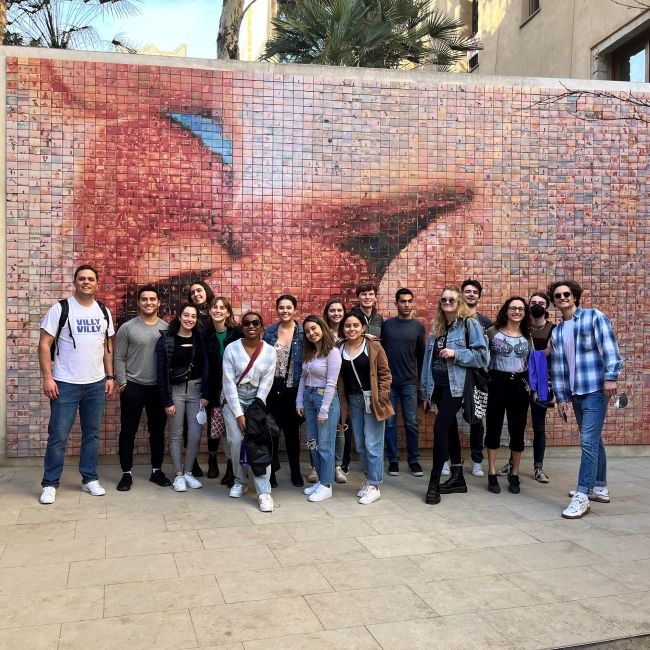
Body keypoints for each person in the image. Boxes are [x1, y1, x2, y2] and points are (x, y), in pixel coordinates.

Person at [38, 264, 115, 505]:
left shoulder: (103, 311)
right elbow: (43, 345)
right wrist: (48, 378)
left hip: (95, 383)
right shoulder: (60, 309)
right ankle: (50, 484)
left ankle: (89, 478)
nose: (86, 282)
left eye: (91, 279)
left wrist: (110, 376)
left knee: (91, 435)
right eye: (82, 278)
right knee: (58, 435)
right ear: (75, 282)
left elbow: (107, 348)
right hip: (66, 384)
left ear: (97, 284)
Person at [548, 280, 623, 520]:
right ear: (554, 301)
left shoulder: (593, 317)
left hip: (594, 390)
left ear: (575, 296)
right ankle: (599, 487)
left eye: (566, 294)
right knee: (594, 441)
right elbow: (558, 367)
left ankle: (581, 495)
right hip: (576, 392)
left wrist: (611, 377)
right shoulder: (558, 331)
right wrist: (561, 398)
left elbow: (609, 347)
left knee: (587, 442)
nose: (562, 298)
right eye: (557, 295)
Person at [420, 286, 489, 504]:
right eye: (443, 300)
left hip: (456, 386)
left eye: (451, 299)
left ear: (459, 302)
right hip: (438, 387)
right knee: (448, 429)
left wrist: (455, 353)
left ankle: (434, 482)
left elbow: (482, 357)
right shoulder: (438, 327)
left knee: (440, 428)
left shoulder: (469, 324)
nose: (447, 302)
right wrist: (426, 392)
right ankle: (458, 477)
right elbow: (427, 362)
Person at [114, 285, 171, 491]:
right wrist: (123, 382)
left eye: (152, 299)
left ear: (158, 302)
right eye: (144, 299)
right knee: (128, 431)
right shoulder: (127, 328)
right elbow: (118, 357)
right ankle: (126, 473)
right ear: (138, 302)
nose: (148, 302)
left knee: (157, 431)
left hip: (158, 389)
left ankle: (156, 470)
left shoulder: (166, 328)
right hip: (133, 387)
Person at [222, 311, 277, 512]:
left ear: (262, 327)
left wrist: (255, 410)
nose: (251, 326)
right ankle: (240, 480)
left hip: (257, 399)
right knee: (236, 440)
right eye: (247, 323)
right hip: (233, 397)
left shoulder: (270, 351)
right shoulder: (231, 349)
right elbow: (228, 383)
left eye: (256, 323)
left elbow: (267, 382)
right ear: (242, 327)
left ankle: (264, 492)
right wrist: (238, 413)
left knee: (259, 441)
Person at [498, 291, 555, 483]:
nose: (537, 305)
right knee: (517, 426)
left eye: (541, 302)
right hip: (520, 383)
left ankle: (538, 467)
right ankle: (512, 465)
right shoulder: (523, 328)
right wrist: (543, 352)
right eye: (533, 302)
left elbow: (554, 355)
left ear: (547, 307)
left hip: (541, 384)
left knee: (538, 427)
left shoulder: (552, 330)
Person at [338, 311, 394, 504]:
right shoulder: (339, 348)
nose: (351, 329)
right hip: (354, 401)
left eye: (355, 325)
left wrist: (382, 396)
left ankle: (375, 485)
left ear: (363, 328)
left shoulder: (373, 345)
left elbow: (385, 373)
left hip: (372, 400)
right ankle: (370, 481)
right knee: (361, 446)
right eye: (347, 326)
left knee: (373, 443)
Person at [156, 303, 210, 492]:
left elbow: (206, 367)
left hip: (196, 392)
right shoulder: (166, 339)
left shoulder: (200, 338)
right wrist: (166, 400)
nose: (189, 319)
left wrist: (206, 393)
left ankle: (189, 472)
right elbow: (161, 372)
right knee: (177, 434)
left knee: (195, 434)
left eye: (193, 316)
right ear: (179, 316)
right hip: (175, 392)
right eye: (186, 315)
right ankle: (178, 475)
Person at [484, 297, 532, 495]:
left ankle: (514, 473)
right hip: (497, 382)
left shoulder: (527, 336)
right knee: (493, 426)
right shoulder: (491, 332)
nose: (517, 311)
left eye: (521, 308)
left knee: (517, 428)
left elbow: (532, 363)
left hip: (519, 384)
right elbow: (482, 358)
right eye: (513, 308)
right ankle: (492, 472)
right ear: (506, 310)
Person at [381, 288, 426, 477]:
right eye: (402, 301)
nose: (406, 304)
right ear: (396, 303)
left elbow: (422, 357)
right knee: (389, 424)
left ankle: (413, 460)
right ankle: (393, 460)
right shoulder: (387, 326)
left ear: (412, 303)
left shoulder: (418, 327)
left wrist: (423, 386)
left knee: (411, 423)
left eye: (409, 301)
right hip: (389, 383)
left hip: (409, 383)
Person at [297, 316, 342, 502]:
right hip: (309, 397)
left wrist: (324, 409)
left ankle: (326, 485)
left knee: (325, 444)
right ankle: (320, 481)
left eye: (314, 328)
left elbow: (332, 383)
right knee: (313, 443)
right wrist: (299, 401)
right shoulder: (310, 352)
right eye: (307, 331)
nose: (311, 333)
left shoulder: (332, 352)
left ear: (322, 328)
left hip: (325, 399)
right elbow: (302, 377)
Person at [262, 295, 305, 487]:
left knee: (292, 434)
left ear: (295, 309)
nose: (285, 311)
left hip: (293, 389)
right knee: (271, 433)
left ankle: (296, 472)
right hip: (272, 389)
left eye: (289, 307)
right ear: (277, 309)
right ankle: (271, 475)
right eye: (281, 307)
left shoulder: (302, 332)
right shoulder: (270, 332)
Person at [204, 296, 243, 482]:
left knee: (231, 427)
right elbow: (204, 365)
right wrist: (206, 392)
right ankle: (212, 459)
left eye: (222, 308)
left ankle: (230, 466)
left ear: (228, 312)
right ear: (210, 311)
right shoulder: (206, 334)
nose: (218, 310)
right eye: (214, 307)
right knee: (214, 424)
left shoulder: (236, 333)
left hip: (233, 388)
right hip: (213, 386)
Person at [458, 278, 494, 478]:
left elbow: (490, 353)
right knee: (449, 420)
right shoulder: (454, 319)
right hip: (456, 376)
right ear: (462, 294)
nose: (471, 294)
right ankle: (449, 459)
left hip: (478, 378)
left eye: (475, 292)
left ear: (479, 296)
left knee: (477, 420)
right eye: (467, 291)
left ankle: (477, 461)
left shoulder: (486, 324)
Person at [185, 280, 215, 477]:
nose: (196, 294)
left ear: (207, 292)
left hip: (214, 372)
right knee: (191, 420)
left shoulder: (216, 312)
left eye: (199, 290)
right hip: (194, 373)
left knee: (214, 417)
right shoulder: (188, 316)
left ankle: (213, 459)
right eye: (193, 292)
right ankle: (192, 459)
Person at [323, 297, 351, 480]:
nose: (336, 314)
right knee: (321, 426)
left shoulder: (349, 332)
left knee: (341, 425)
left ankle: (338, 466)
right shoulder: (321, 333)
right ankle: (316, 467)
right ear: (326, 313)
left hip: (344, 384)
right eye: (332, 310)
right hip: (323, 384)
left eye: (339, 310)